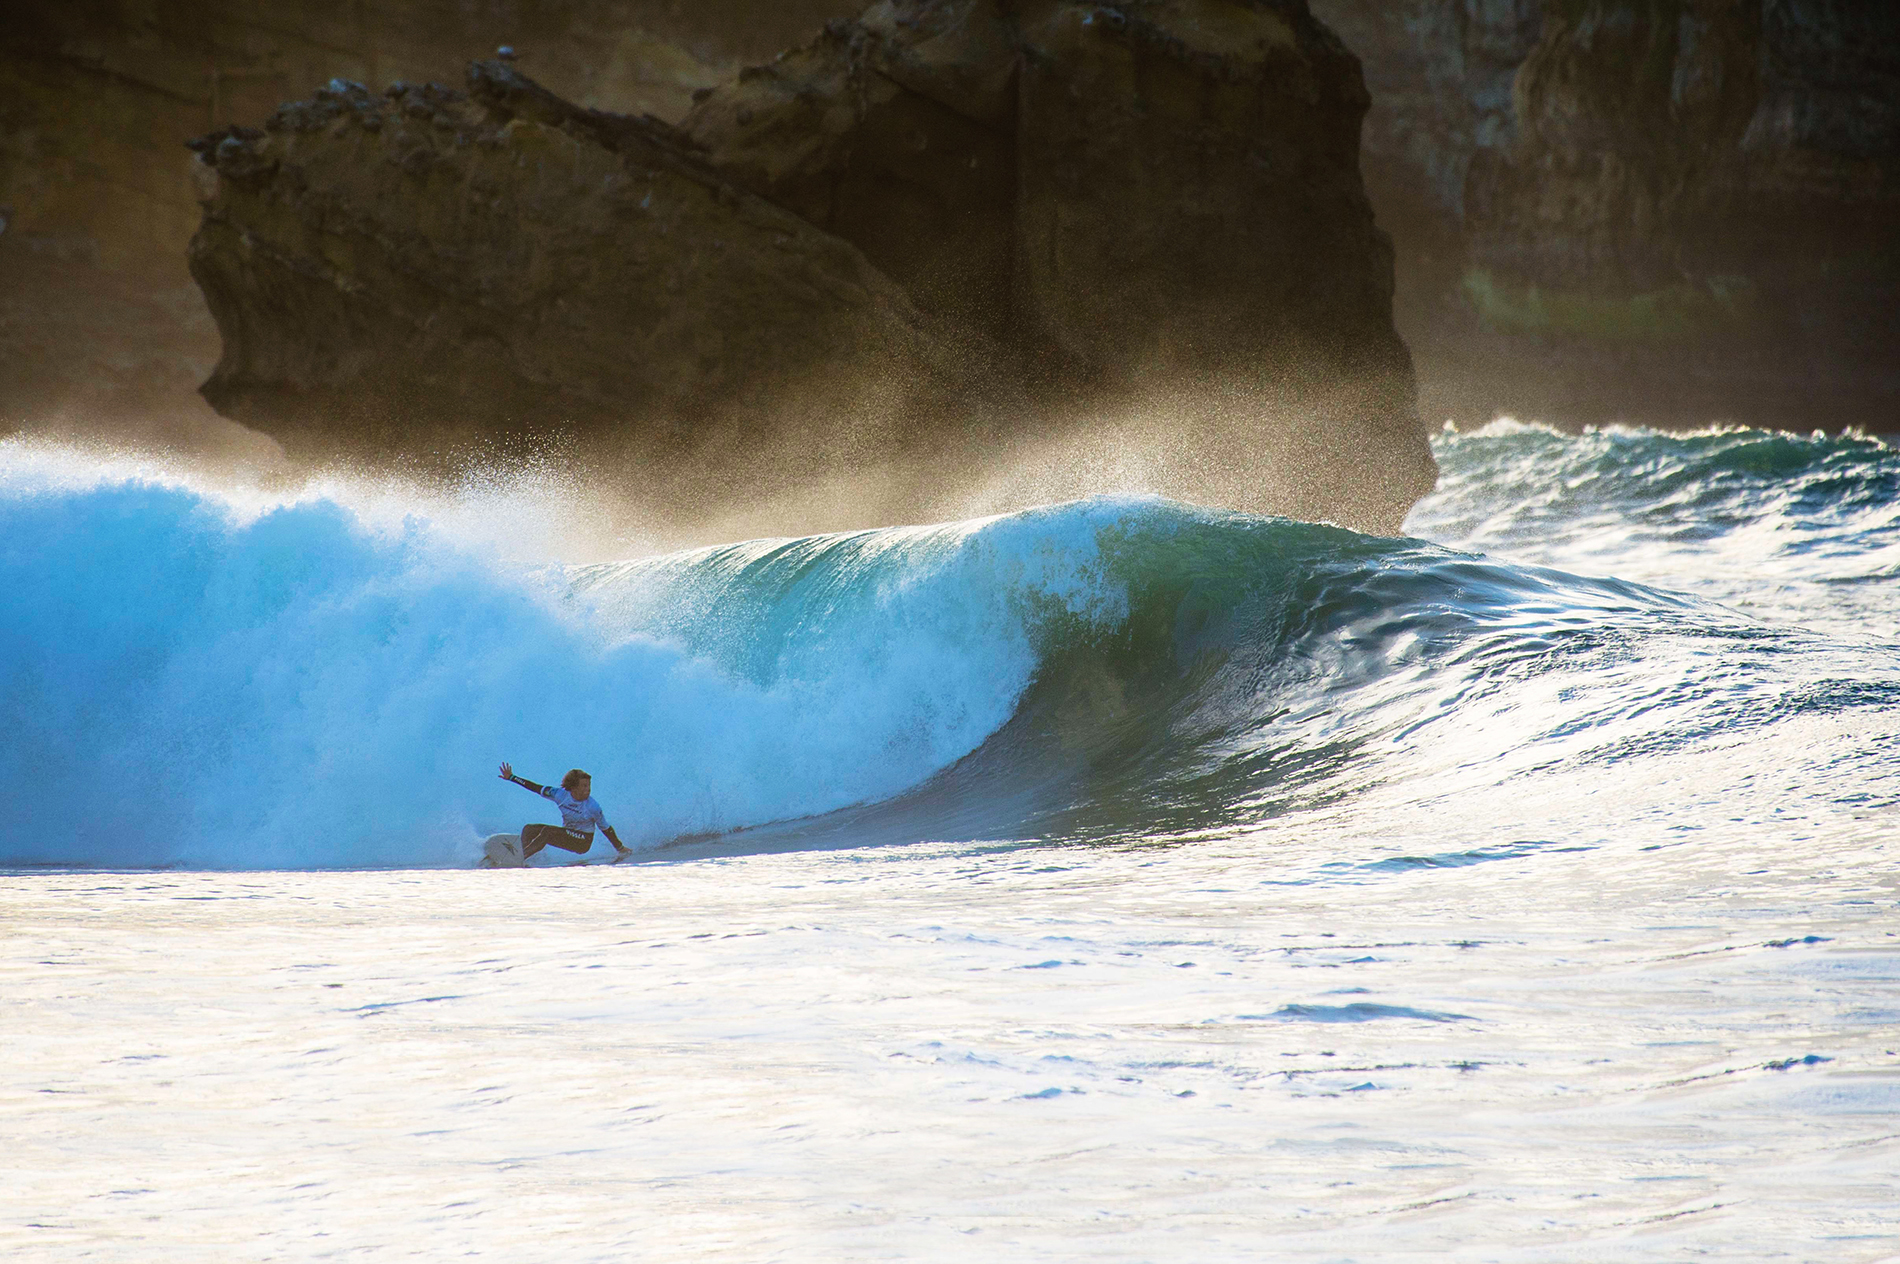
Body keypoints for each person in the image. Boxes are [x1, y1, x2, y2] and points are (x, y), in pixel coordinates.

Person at [498, 762, 631, 862]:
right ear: (573, 787)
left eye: (589, 785)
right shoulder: (559, 794)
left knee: (547, 832)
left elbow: (606, 828)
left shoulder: (592, 807)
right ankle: (517, 854)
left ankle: (520, 858)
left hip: (583, 841)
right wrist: (512, 777)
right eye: (584, 786)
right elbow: (535, 787)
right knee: (529, 829)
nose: (588, 789)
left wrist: (620, 848)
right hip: (567, 835)